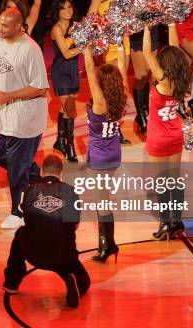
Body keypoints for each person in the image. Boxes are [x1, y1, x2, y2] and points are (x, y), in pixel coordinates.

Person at [0, 9, 49, 229]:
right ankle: (33, 175)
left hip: (25, 119)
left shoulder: (30, 49)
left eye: (5, 25)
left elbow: (40, 88)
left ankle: (18, 212)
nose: (0, 28)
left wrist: (8, 96)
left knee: (15, 168)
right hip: (1, 116)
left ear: (18, 26)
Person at [2, 154, 90, 308]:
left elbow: (24, 221)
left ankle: (12, 283)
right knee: (84, 281)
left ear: (42, 171)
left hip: (34, 254)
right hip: (62, 255)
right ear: (60, 172)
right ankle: (71, 278)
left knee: (19, 236)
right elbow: (74, 226)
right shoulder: (71, 192)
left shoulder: (29, 191)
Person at [142, 24, 191, 240]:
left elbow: (146, 53)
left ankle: (165, 223)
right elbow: (175, 48)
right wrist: (171, 23)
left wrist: (145, 27)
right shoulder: (180, 78)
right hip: (175, 135)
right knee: (175, 179)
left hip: (158, 138)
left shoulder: (161, 78)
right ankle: (177, 221)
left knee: (162, 182)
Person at [83, 47, 126, 263]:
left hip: (99, 158)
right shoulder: (120, 99)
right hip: (114, 155)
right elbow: (123, 70)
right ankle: (107, 244)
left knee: (103, 203)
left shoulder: (99, 102)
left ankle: (108, 246)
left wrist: (86, 48)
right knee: (105, 200)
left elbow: (90, 70)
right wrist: (120, 46)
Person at [88, 0, 131, 145]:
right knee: (109, 87)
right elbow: (91, 17)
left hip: (124, 42)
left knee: (121, 86)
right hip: (108, 46)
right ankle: (109, 125)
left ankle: (116, 125)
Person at [125, 0, 157, 135]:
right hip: (138, 35)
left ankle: (145, 111)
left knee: (150, 74)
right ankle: (141, 113)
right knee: (140, 74)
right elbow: (132, 14)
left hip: (152, 32)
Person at [50, 0, 81, 163]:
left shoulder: (75, 26)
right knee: (70, 110)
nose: (68, 11)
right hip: (61, 72)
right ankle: (70, 146)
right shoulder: (56, 29)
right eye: (64, 8)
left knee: (66, 109)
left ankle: (60, 141)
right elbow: (66, 53)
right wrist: (84, 45)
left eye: (70, 7)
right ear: (58, 11)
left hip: (73, 71)